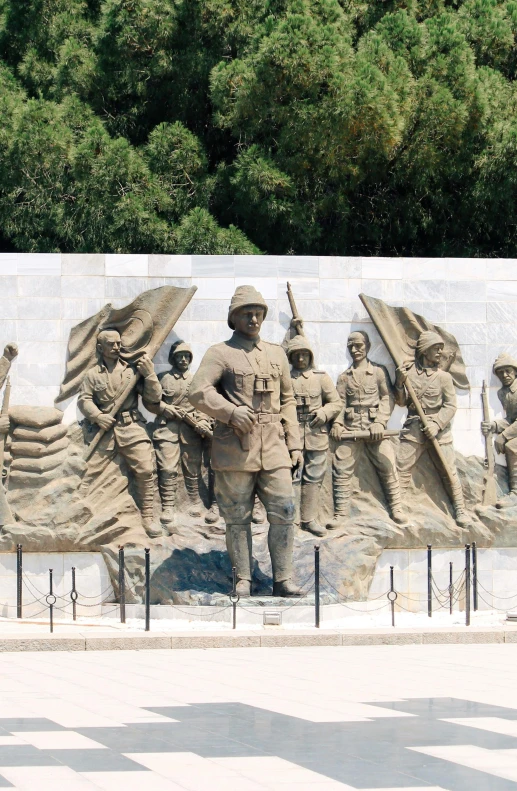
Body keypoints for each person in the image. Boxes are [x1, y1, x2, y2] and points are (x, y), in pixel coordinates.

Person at [189, 285, 303, 596]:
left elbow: (289, 400)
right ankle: (243, 579)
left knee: (285, 510)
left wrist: (295, 443)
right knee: (237, 517)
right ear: (234, 318)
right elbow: (198, 391)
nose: (254, 319)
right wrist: (229, 411)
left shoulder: (277, 353)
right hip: (236, 446)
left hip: (275, 445)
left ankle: (283, 579)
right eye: (247, 313)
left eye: (258, 313)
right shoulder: (220, 353)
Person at [78, 329, 162, 538]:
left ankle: (148, 517)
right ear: (100, 348)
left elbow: (154, 398)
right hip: (104, 430)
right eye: (111, 344)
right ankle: (80, 514)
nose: (116, 347)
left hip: (131, 427)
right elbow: (84, 400)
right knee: (87, 473)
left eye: (118, 343)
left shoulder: (132, 371)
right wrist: (97, 416)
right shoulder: (92, 375)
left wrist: (150, 375)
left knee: (145, 470)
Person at [395, 330, 471, 527]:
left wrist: (436, 424)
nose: (439, 353)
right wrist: (398, 383)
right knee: (401, 468)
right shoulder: (409, 373)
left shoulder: (443, 377)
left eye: (441, 349)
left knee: (449, 470)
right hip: (413, 428)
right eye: (436, 349)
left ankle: (460, 510)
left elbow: (450, 406)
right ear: (425, 350)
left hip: (438, 430)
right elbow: (402, 402)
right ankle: (397, 507)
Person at [328, 331, 405, 527]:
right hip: (351, 429)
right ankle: (340, 514)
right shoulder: (344, 377)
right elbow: (340, 402)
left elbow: (387, 398)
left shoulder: (379, 372)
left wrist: (380, 422)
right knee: (341, 467)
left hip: (375, 430)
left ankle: (396, 508)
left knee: (387, 464)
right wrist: (337, 423)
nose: (355, 350)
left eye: (359, 345)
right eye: (351, 346)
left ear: (368, 346)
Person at [147, 341, 217, 530]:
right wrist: (166, 409)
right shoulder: (162, 378)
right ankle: (168, 506)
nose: (183, 359)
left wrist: (201, 420)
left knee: (192, 468)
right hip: (167, 429)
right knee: (167, 469)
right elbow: (151, 402)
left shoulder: (196, 381)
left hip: (190, 431)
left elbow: (203, 405)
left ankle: (194, 502)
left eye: (186, 356)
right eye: (179, 356)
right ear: (173, 358)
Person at [287, 334, 341, 537]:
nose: (300, 359)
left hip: (316, 434)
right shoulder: (285, 379)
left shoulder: (321, 377)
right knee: (291, 477)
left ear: (310, 356)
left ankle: (309, 519)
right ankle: (290, 521)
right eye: (296, 355)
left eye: (304, 355)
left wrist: (324, 413)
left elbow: (336, 403)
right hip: (292, 437)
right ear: (291, 358)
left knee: (313, 478)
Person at [482, 353, 517, 508]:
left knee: (511, 446)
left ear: (515, 371)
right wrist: (494, 426)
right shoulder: (503, 393)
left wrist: (504, 436)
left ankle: (515, 493)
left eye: (508, 370)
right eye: (500, 372)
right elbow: (510, 420)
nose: (504, 375)